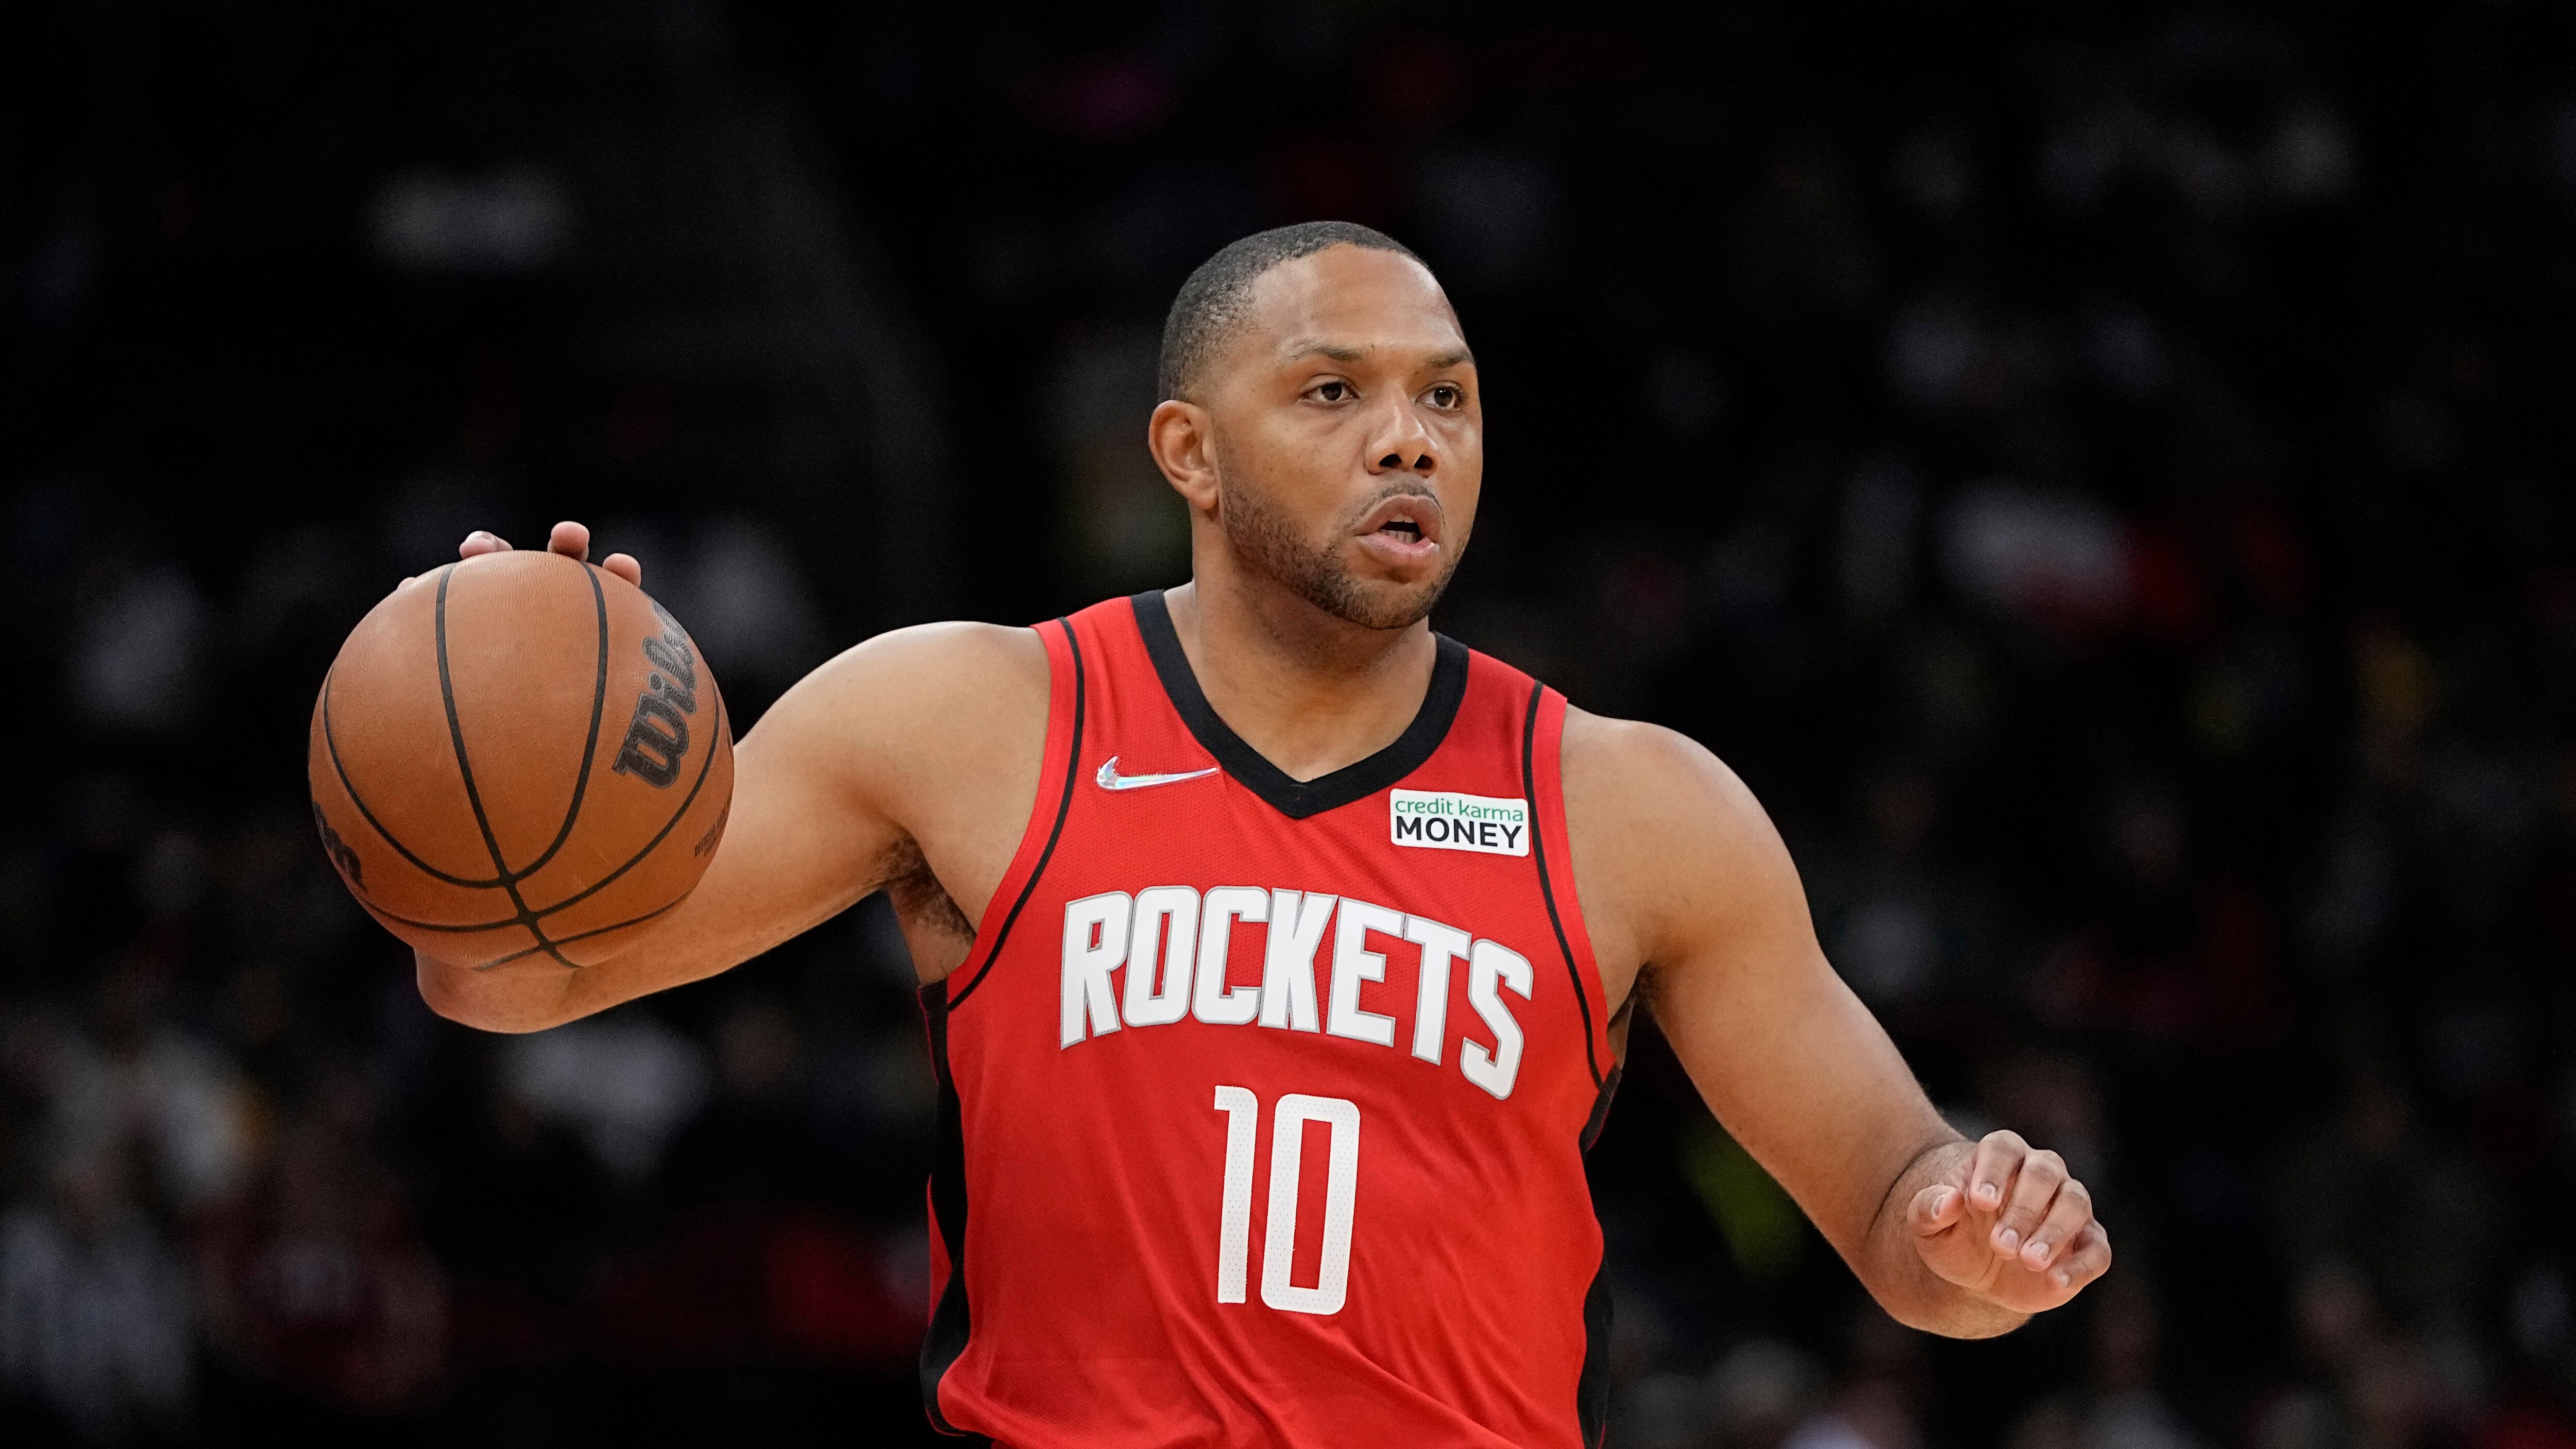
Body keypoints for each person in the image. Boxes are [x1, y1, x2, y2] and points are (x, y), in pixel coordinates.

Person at [410, 222, 2109, 1446]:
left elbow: (1907, 1231)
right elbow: (503, 976)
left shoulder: (1632, 803)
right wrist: (498, 770)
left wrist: (1980, 1237)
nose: (1405, 437)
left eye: (1446, 399)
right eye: (1333, 391)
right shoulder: (966, 720)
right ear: (1189, 454)